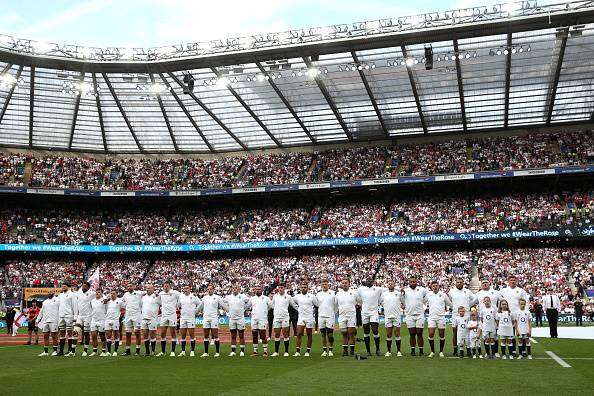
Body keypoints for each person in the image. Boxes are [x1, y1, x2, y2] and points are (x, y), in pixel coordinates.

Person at [500, 275, 529, 357]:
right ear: (508, 281)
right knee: (511, 334)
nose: (513, 281)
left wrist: (525, 312)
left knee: (521, 333)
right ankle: (512, 350)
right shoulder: (504, 291)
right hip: (508, 315)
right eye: (511, 280)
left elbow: (526, 301)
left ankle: (523, 350)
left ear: (516, 281)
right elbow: (500, 302)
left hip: (519, 315)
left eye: (514, 280)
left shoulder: (521, 291)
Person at [448, 278, 477, 356]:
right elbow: (449, 301)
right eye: (458, 282)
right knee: (455, 332)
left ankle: (468, 349)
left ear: (463, 283)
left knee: (467, 332)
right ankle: (455, 349)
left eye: (461, 282)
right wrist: (454, 307)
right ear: (455, 283)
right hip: (455, 314)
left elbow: (475, 299)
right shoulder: (451, 291)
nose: (459, 283)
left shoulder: (467, 291)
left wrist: (468, 306)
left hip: (466, 314)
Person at [356, 278, 384, 357]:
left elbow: (385, 292)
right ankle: (368, 351)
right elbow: (357, 297)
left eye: (370, 281)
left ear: (373, 282)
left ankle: (377, 349)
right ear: (366, 282)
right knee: (366, 331)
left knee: (375, 330)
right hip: (364, 312)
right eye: (367, 281)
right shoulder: (361, 289)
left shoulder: (378, 289)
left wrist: (379, 302)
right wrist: (361, 303)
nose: (369, 282)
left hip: (374, 312)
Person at [425, 280, 452, 358]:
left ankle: (441, 352)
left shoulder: (443, 295)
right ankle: (432, 351)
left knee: (441, 334)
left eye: (436, 285)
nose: (435, 287)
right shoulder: (428, 295)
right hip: (431, 317)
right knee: (430, 334)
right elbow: (422, 301)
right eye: (433, 286)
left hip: (441, 317)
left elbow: (449, 304)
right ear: (431, 287)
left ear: (438, 286)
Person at [292, 280, 319, 357]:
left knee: (309, 334)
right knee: (299, 334)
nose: (303, 288)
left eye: (305, 287)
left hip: (309, 317)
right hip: (301, 317)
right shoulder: (297, 296)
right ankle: (298, 351)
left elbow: (317, 304)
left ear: (307, 288)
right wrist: (297, 308)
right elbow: (292, 302)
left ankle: (307, 351)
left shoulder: (312, 296)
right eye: (302, 287)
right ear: (300, 288)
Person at [475, 279, 501, 356]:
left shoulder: (496, 292)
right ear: (481, 285)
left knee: (495, 336)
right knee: (485, 335)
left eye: (486, 283)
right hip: (483, 317)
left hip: (493, 317)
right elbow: (472, 302)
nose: (485, 284)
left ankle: (495, 352)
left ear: (489, 284)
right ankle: (487, 353)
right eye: (483, 283)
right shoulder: (478, 293)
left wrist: (499, 309)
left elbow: (502, 300)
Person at [402, 276, 427, 356]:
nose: (412, 283)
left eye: (414, 281)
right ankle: (412, 351)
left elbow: (427, 297)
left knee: (419, 333)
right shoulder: (405, 291)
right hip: (409, 315)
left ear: (417, 282)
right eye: (411, 282)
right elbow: (402, 299)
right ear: (409, 282)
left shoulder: (422, 290)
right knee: (412, 334)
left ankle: (421, 351)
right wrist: (405, 305)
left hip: (420, 314)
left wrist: (422, 302)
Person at [271, 284, 296, 357]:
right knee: (276, 334)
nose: (280, 289)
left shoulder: (288, 297)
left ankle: (286, 351)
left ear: (284, 288)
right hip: (276, 317)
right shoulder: (275, 296)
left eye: (282, 288)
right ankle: (276, 352)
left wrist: (300, 310)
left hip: (285, 317)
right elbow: (272, 305)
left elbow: (294, 305)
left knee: (285, 334)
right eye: (279, 288)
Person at [335, 278, 359, 357]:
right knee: (344, 333)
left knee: (351, 333)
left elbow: (359, 301)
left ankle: (351, 351)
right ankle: (345, 351)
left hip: (351, 316)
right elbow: (335, 305)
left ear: (349, 283)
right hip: (342, 316)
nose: (344, 284)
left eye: (346, 283)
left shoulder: (354, 293)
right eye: (343, 283)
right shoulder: (338, 294)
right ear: (341, 284)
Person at [380, 279, 403, 357]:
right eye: (389, 284)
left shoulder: (398, 294)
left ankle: (399, 351)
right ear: (387, 285)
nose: (390, 285)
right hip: (387, 316)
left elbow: (403, 302)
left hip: (396, 316)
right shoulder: (384, 294)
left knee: (397, 334)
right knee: (389, 334)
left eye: (392, 284)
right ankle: (388, 351)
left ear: (394, 285)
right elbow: (380, 302)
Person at [156, 280, 180, 357]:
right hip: (164, 316)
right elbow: (158, 301)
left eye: (167, 286)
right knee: (162, 333)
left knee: (173, 333)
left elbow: (181, 298)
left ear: (170, 287)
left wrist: (177, 305)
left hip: (172, 315)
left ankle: (172, 351)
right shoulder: (161, 293)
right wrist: (162, 306)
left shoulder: (175, 293)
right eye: (164, 286)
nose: (165, 288)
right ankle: (163, 352)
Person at [224, 284, 248, 357]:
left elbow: (249, 302)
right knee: (233, 336)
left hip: (240, 319)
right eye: (233, 288)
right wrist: (227, 310)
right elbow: (222, 303)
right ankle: (233, 351)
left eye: (236, 288)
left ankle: (242, 351)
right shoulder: (228, 297)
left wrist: (244, 308)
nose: (234, 289)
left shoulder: (243, 296)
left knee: (241, 335)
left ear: (239, 289)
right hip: (232, 319)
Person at [121, 283, 145, 356]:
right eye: (128, 286)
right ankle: (128, 350)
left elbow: (147, 292)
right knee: (128, 333)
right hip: (128, 315)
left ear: (134, 286)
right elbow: (121, 301)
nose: (129, 287)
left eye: (130, 286)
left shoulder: (138, 293)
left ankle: (137, 351)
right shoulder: (125, 295)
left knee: (137, 333)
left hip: (136, 315)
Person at [201, 284, 224, 358]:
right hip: (205, 318)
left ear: (213, 290)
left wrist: (230, 311)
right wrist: (194, 312)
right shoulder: (204, 298)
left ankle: (217, 352)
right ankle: (206, 352)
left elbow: (223, 305)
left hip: (214, 318)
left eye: (210, 289)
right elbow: (200, 307)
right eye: (208, 289)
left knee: (215, 335)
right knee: (206, 336)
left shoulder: (217, 297)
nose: (209, 290)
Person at [247, 285, 271, 357]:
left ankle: (265, 351)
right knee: (254, 335)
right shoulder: (252, 298)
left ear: (262, 290)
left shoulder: (266, 298)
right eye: (256, 289)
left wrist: (265, 311)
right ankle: (255, 351)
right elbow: (247, 306)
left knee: (263, 334)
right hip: (254, 318)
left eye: (259, 289)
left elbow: (271, 306)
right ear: (255, 290)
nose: (258, 290)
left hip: (262, 319)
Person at [178, 285, 201, 357]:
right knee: (183, 335)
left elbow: (200, 304)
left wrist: (196, 312)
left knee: (191, 334)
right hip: (183, 318)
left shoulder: (193, 296)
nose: (185, 289)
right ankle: (183, 351)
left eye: (187, 288)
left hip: (191, 318)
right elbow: (178, 305)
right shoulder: (181, 297)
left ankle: (192, 351)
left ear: (190, 289)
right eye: (184, 288)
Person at [315, 278, 337, 357]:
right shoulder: (318, 294)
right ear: (321, 285)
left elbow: (336, 304)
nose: (324, 285)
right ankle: (324, 350)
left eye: (325, 284)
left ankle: (331, 350)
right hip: (321, 316)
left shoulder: (333, 293)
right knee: (323, 334)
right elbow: (316, 305)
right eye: (323, 284)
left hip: (330, 316)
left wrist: (334, 312)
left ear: (328, 285)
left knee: (330, 334)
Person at [57, 282, 78, 356]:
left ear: (68, 287)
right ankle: (61, 351)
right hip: (61, 316)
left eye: (64, 286)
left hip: (69, 315)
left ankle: (69, 350)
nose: (63, 287)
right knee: (62, 333)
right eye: (62, 286)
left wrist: (75, 317)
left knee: (69, 333)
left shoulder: (72, 294)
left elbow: (75, 306)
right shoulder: (60, 295)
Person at [36, 292, 60, 356]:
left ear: (53, 293)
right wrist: (38, 319)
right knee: (45, 336)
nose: (49, 293)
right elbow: (41, 311)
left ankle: (55, 351)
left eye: (50, 292)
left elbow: (60, 309)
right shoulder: (45, 302)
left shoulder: (57, 300)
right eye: (48, 292)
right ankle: (46, 352)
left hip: (54, 320)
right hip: (45, 321)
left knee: (54, 336)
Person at [75, 281, 95, 356]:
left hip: (88, 316)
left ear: (88, 287)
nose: (83, 287)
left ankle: (85, 350)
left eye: (85, 286)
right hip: (80, 316)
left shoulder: (92, 293)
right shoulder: (78, 293)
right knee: (75, 332)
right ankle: (72, 351)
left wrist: (106, 300)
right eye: (82, 286)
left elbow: (102, 296)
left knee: (86, 333)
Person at [141, 284, 160, 356]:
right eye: (146, 288)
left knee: (152, 335)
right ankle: (147, 351)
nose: (147, 289)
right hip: (144, 318)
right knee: (145, 335)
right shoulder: (143, 297)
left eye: (149, 288)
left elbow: (161, 304)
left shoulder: (156, 297)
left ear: (153, 289)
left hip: (152, 318)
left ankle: (153, 351)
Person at [104, 290, 123, 357]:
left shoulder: (120, 301)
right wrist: (106, 300)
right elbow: (103, 304)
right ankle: (108, 351)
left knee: (116, 334)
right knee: (108, 335)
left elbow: (124, 308)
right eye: (111, 293)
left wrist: (121, 316)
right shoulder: (108, 301)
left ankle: (115, 351)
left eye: (114, 293)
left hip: (115, 320)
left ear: (116, 294)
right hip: (107, 319)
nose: (112, 294)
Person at [89, 288, 107, 357]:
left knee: (102, 336)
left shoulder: (104, 301)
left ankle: (103, 351)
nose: (97, 293)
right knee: (93, 336)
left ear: (102, 293)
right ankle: (95, 351)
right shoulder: (92, 301)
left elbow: (107, 309)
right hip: (94, 320)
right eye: (96, 292)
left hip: (101, 320)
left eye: (99, 292)